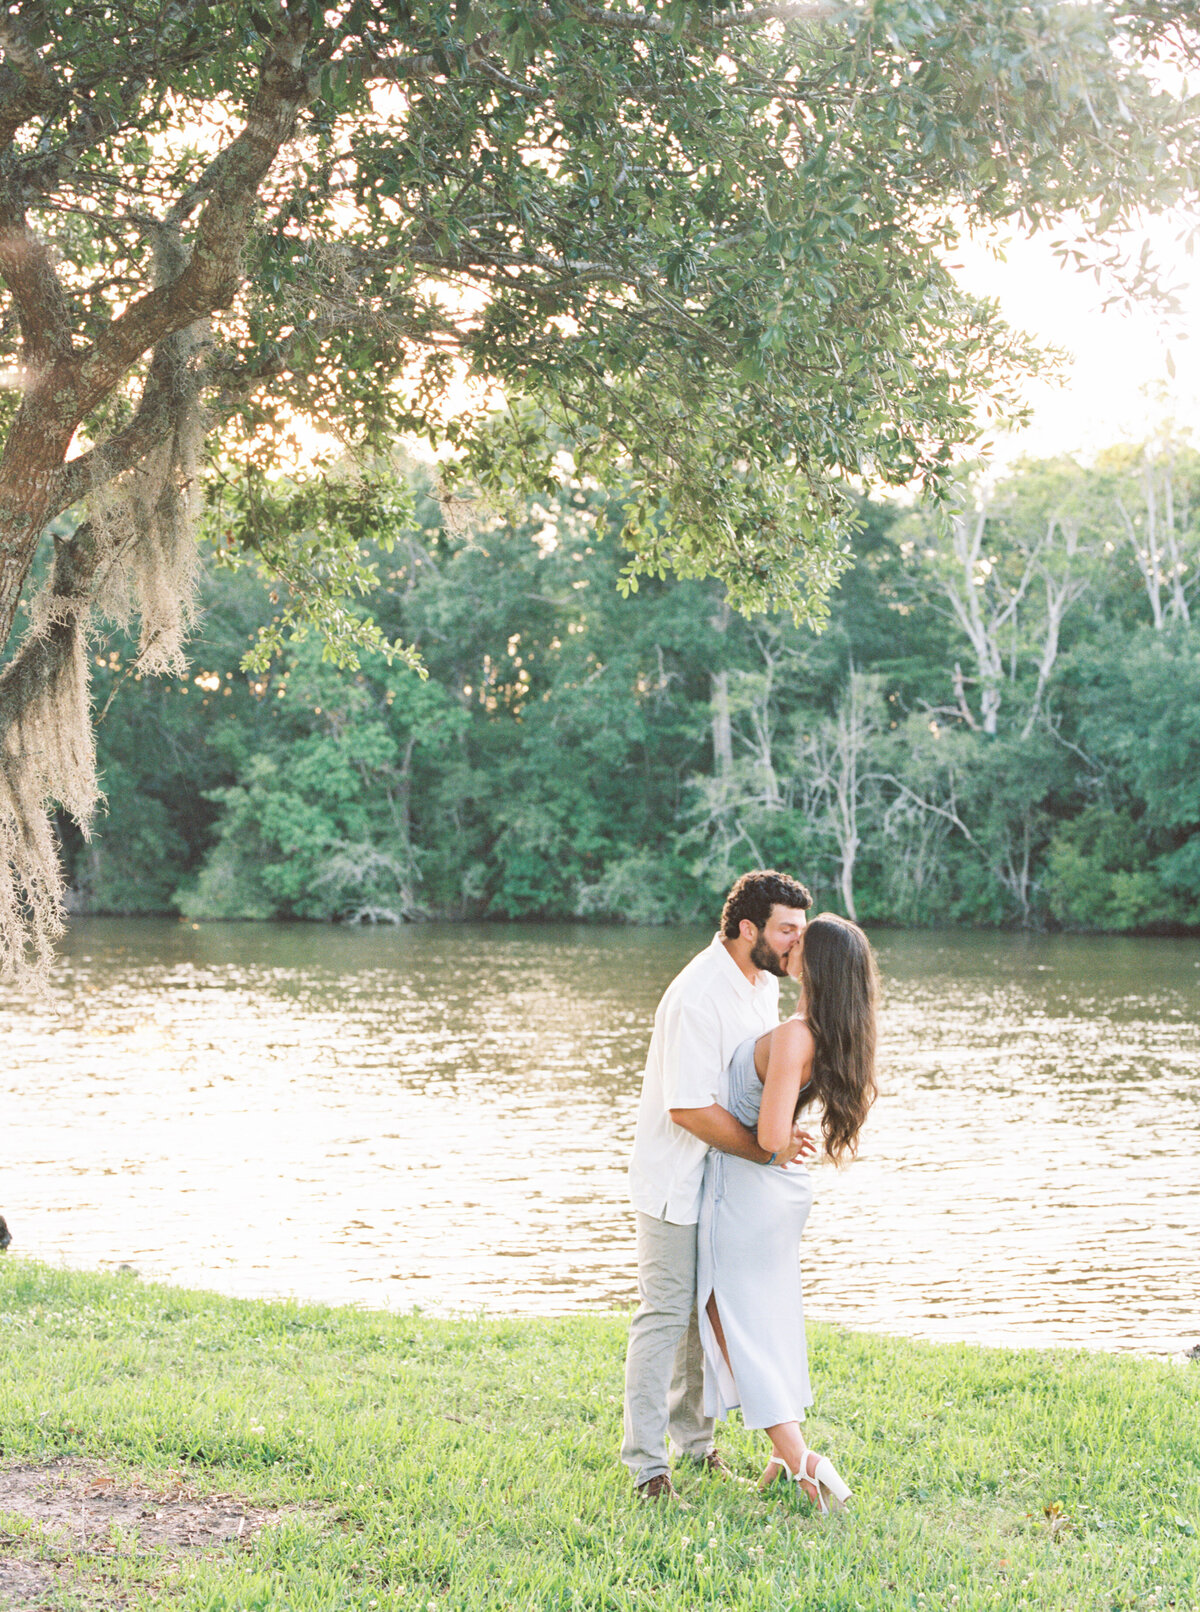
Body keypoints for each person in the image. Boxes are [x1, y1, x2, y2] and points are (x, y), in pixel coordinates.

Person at [621, 869, 816, 1501]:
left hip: (723, 1183)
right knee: (666, 1317)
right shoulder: (699, 996)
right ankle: (649, 1467)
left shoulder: (761, 984)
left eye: (802, 931)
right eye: (787, 930)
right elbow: (690, 1110)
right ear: (748, 928)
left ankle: (697, 1447)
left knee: (710, 1311)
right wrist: (769, 1151)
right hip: (676, 1180)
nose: (796, 943)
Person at [697, 911, 879, 1512]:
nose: (791, 943)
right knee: (760, 1325)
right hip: (770, 1197)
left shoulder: (799, 1032)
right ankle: (786, 1454)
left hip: (748, 1192)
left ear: (819, 964)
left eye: (803, 939)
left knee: (735, 1324)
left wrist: (774, 1144)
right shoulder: (823, 1032)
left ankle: (805, 1462)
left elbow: (772, 1133)